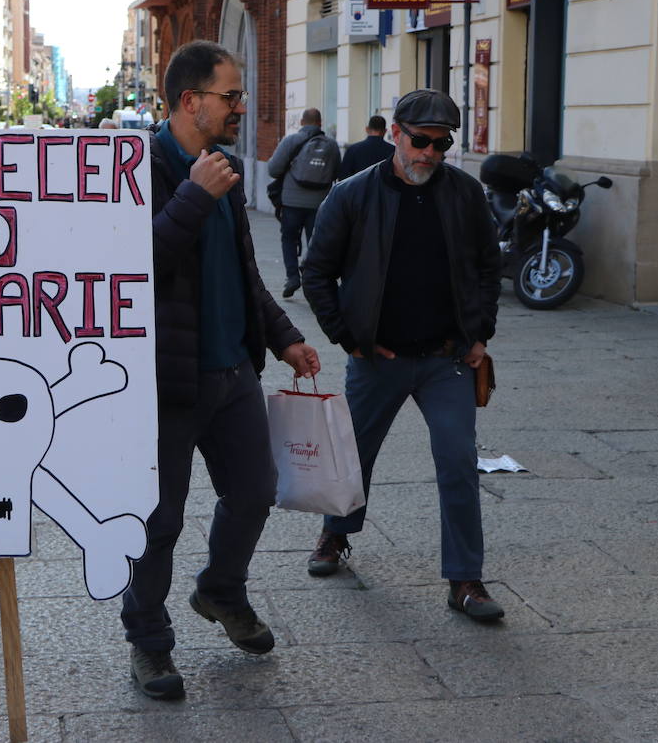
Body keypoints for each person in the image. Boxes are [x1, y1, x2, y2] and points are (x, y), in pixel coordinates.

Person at [121, 40, 320, 702]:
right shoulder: (137, 166)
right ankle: (149, 643)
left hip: (234, 370)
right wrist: (194, 197)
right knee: (159, 520)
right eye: (230, 96)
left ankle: (220, 592)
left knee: (256, 491)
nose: (241, 107)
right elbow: (129, 269)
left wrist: (286, 338)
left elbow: (244, 272)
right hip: (163, 379)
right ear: (189, 101)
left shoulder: (224, 166)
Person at [301, 89, 504, 621]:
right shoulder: (351, 194)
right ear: (396, 133)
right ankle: (333, 535)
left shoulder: (465, 194)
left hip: (448, 358)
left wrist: (480, 332)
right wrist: (349, 337)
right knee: (355, 455)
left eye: (442, 144)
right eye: (421, 142)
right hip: (377, 358)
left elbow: (488, 266)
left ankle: (465, 580)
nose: (430, 154)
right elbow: (316, 271)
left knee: (458, 460)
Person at [266, 108, 340, 299]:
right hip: (320, 203)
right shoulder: (331, 145)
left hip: (292, 202)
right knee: (315, 242)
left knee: (289, 238)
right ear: (320, 123)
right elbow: (336, 173)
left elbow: (273, 170)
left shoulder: (291, 141)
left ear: (301, 122)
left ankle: (292, 277)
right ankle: (312, 279)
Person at [337, 115, 395, 181]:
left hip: (358, 189)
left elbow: (343, 177)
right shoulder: (393, 151)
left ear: (367, 129)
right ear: (385, 131)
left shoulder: (353, 149)